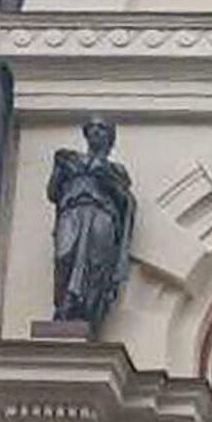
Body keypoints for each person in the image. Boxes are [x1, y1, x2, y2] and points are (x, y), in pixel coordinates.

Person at [48, 117, 134, 329]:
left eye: (102, 128)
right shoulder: (70, 160)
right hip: (73, 211)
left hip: (101, 215)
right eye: (92, 128)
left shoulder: (116, 170)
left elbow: (125, 202)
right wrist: (59, 169)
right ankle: (64, 302)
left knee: (96, 261)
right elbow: (53, 193)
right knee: (65, 256)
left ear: (110, 138)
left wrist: (107, 179)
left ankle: (83, 311)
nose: (96, 132)